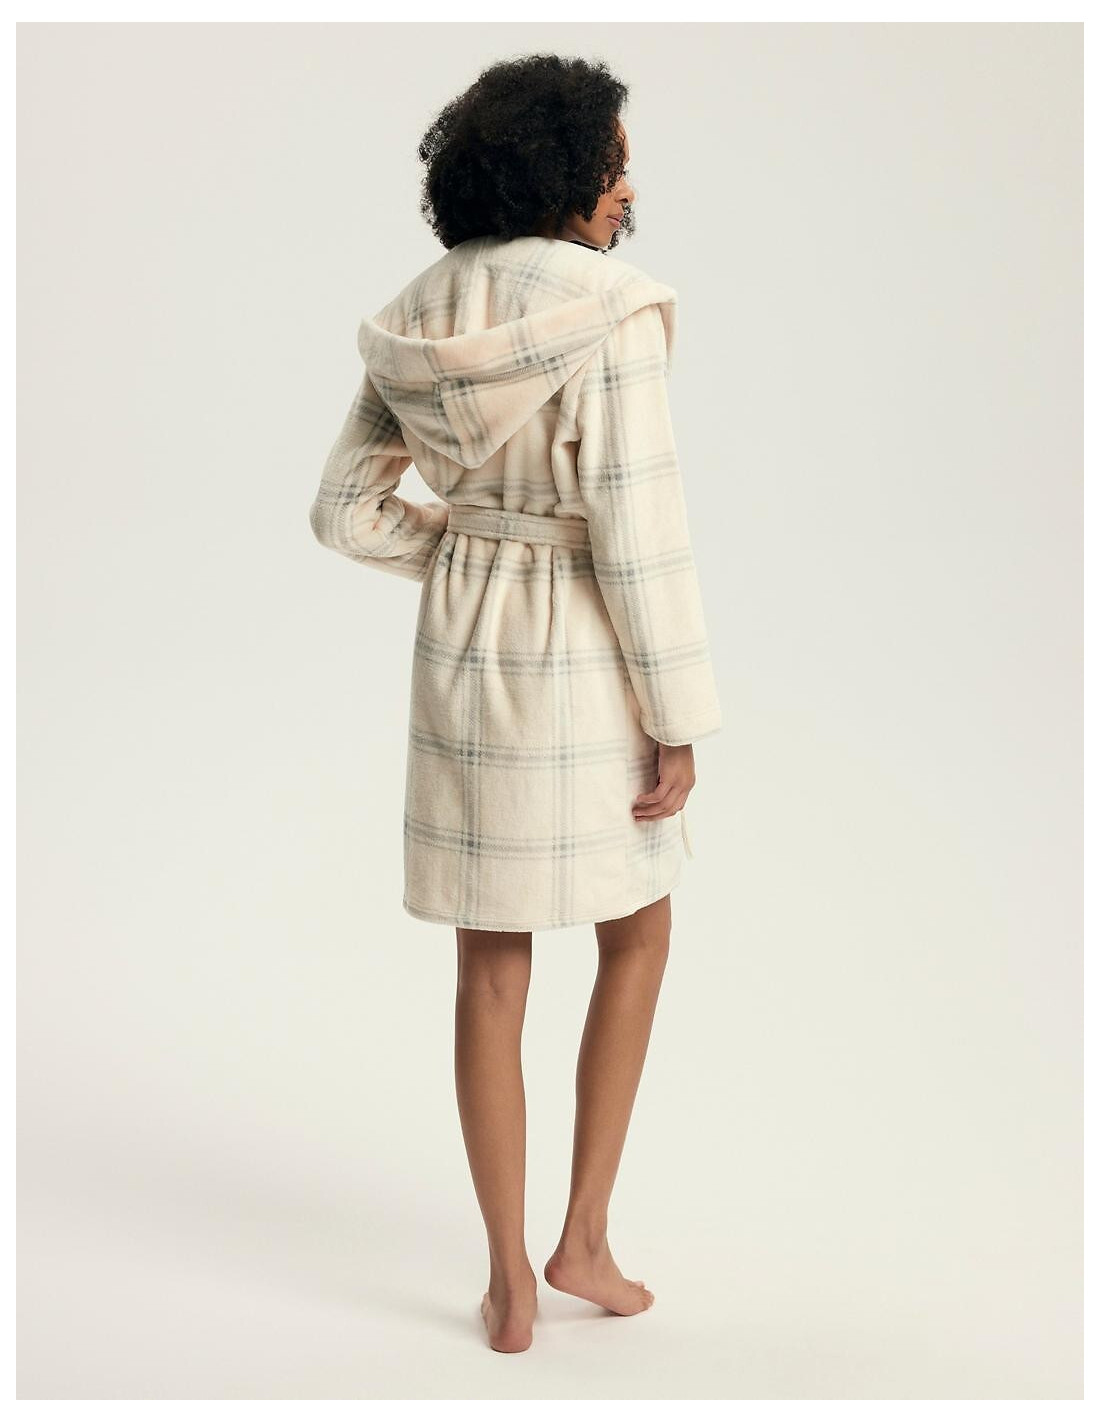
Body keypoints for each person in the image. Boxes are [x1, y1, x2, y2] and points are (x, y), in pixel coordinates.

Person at [309, 54, 722, 1353]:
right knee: (638, 927)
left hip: (463, 655)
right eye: (614, 163)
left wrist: (472, 551)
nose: (628, 187)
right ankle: (583, 1234)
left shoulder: (420, 311)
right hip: (586, 654)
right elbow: (638, 529)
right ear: (565, 172)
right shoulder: (612, 308)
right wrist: (678, 714)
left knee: (490, 965)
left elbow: (344, 510)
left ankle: (506, 1282)